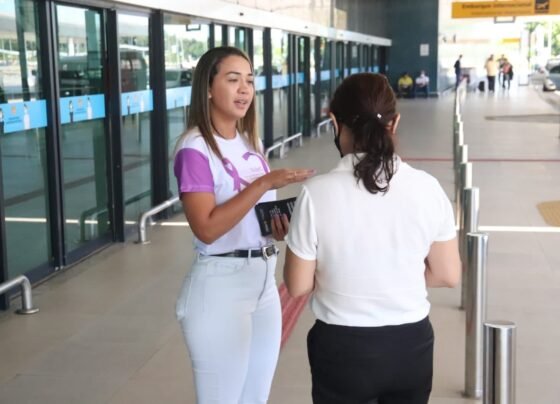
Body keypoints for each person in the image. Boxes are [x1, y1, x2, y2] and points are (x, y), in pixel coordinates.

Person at [283, 73, 461, 404]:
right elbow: (448, 274)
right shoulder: (427, 188)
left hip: (341, 348)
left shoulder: (315, 193)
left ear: (334, 122)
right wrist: (392, 273)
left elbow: (297, 285)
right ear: (395, 123)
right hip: (410, 346)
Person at [173, 46, 314, 404]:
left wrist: (276, 227)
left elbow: (250, 213)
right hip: (220, 286)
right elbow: (206, 228)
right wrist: (264, 183)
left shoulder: (251, 142)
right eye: (233, 80)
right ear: (208, 88)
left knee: (255, 398)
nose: (244, 90)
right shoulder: (194, 149)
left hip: (263, 282)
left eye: (249, 81)